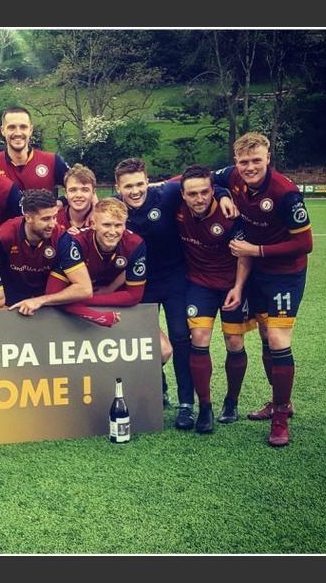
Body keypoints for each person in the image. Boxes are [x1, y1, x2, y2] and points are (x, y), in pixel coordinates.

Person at [113, 157, 236, 425]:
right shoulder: (114, 208)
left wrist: (224, 194)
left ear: (148, 181)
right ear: (117, 188)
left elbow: (211, 178)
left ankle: (185, 405)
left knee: (181, 338)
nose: (135, 191)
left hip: (174, 279)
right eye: (128, 187)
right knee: (145, 343)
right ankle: (159, 386)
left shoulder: (166, 192)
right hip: (140, 284)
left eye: (139, 184)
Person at [213, 132, 312, 447]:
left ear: (268, 158)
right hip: (254, 272)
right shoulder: (232, 177)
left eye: (257, 160)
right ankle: (280, 401)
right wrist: (223, 194)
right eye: (244, 162)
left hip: (284, 272)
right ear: (236, 162)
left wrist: (256, 251)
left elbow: (304, 243)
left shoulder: (285, 193)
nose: (250, 167)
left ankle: (281, 414)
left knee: (279, 339)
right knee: (266, 337)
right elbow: (213, 180)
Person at [175, 165, 254, 434]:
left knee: (234, 342)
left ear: (212, 191)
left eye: (205, 192)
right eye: (193, 194)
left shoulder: (230, 214)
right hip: (198, 284)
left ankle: (231, 401)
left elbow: (244, 254)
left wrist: (239, 288)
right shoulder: (176, 208)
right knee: (199, 339)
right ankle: (205, 407)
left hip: (231, 285)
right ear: (183, 195)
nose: (199, 198)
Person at [48, 199, 149, 329]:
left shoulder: (135, 244)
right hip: (69, 313)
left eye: (118, 225)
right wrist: (97, 316)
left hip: (93, 303)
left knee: (165, 349)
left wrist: (79, 299)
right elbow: (53, 293)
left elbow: (134, 296)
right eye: (106, 225)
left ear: (125, 226)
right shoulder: (75, 242)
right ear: (93, 224)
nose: (113, 232)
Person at [0, 189, 92, 315]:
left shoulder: (61, 237)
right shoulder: (3, 236)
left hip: (47, 302)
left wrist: (41, 301)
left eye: (54, 217)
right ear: (28, 218)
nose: (53, 224)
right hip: (10, 303)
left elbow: (85, 289)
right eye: (46, 219)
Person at [0, 106, 69, 196]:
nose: (18, 133)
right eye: (11, 127)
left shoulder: (52, 161)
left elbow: (81, 186)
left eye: (23, 127)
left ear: (30, 130)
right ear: (3, 130)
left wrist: (62, 202)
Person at [57, 164, 96, 229]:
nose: (79, 195)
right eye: (73, 190)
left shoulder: (102, 219)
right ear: (65, 193)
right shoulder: (56, 219)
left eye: (85, 190)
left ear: (93, 192)